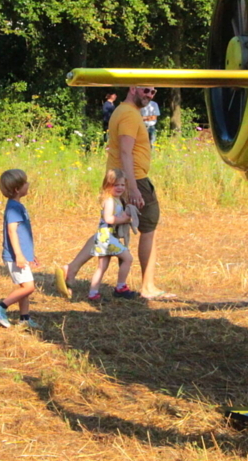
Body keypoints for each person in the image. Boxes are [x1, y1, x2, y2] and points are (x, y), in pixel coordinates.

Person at [55, 86, 173, 300]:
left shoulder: (123, 111)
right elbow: (126, 151)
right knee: (149, 228)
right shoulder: (128, 114)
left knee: (108, 232)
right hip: (134, 178)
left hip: (123, 178)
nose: (149, 95)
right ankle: (148, 286)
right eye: (146, 90)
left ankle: (71, 269)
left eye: (153, 92)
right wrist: (133, 186)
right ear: (133, 88)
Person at [0, 169, 41, 329]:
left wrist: (30, 254)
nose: (28, 184)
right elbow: (12, 231)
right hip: (15, 257)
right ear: (17, 189)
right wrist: (19, 255)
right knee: (29, 287)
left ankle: (24, 319)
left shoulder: (18, 206)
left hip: (22, 255)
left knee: (23, 288)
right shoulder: (13, 208)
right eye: (25, 182)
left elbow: (22, 235)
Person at [86, 169, 135, 302]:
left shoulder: (116, 199)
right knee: (128, 258)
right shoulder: (109, 201)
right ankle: (121, 287)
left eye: (122, 185)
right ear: (107, 185)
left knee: (102, 266)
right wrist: (124, 219)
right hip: (106, 237)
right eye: (116, 185)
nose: (120, 188)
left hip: (105, 236)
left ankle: (93, 293)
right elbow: (108, 219)